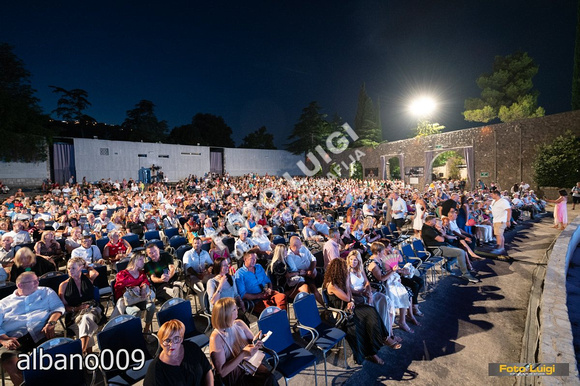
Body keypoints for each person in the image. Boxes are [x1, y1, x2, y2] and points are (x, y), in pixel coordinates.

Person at [0, 272, 65, 385]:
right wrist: (4, 339)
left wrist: (51, 323)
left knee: (60, 355)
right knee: (11, 362)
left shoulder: (46, 292)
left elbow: (58, 307)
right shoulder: (3, 304)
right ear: (20, 285)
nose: (37, 283)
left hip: (42, 333)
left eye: (37, 280)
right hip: (16, 340)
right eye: (33, 281)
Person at [323, 258, 390, 365]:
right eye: (344, 269)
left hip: (349, 309)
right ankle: (372, 352)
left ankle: (380, 339)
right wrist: (347, 284)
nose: (346, 270)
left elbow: (350, 299)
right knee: (364, 320)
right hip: (342, 314)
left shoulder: (338, 281)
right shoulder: (333, 285)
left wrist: (352, 301)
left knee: (371, 311)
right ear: (339, 270)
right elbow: (347, 297)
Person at [209, 298, 275, 386]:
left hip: (249, 365)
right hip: (236, 375)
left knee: (269, 378)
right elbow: (222, 372)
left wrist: (259, 339)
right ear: (226, 314)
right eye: (234, 309)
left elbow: (252, 341)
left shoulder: (239, 323)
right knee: (267, 380)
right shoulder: (216, 337)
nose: (238, 309)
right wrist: (243, 354)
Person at [346, 250, 400, 348]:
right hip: (358, 295)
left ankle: (389, 332)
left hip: (366, 293)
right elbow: (349, 289)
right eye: (351, 260)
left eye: (355, 260)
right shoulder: (347, 272)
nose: (353, 262)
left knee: (386, 301)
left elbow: (367, 282)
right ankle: (386, 337)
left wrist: (369, 291)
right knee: (377, 307)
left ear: (358, 261)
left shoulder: (360, 269)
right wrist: (363, 293)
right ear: (348, 260)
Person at [364, 242, 418, 334]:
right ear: (378, 252)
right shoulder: (373, 264)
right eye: (382, 250)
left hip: (385, 284)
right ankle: (400, 323)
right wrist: (393, 272)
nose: (384, 252)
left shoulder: (379, 259)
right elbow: (381, 278)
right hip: (378, 287)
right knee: (404, 294)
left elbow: (387, 271)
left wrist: (398, 273)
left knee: (407, 292)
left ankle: (404, 320)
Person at [144, 319, 214, 386]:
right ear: (161, 342)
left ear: (181, 339)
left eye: (176, 338)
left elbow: (207, 370)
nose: (172, 344)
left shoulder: (192, 348)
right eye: (167, 340)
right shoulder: (155, 370)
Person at [58, 257, 102, 354]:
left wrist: (87, 266)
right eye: (68, 268)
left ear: (81, 268)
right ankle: (88, 354)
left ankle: (81, 351)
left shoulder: (88, 278)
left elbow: (95, 273)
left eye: (73, 268)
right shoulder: (63, 285)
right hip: (74, 314)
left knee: (86, 319)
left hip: (92, 309)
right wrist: (77, 308)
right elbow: (64, 307)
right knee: (84, 323)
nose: (70, 271)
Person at [421, 216, 479, 283]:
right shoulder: (428, 230)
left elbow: (443, 235)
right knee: (461, 252)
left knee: (461, 251)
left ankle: (449, 265)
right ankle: (466, 274)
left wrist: (442, 232)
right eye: (434, 221)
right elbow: (442, 239)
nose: (435, 223)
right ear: (429, 222)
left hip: (442, 246)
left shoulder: (431, 227)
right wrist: (442, 234)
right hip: (436, 249)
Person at [112, 253, 156, 334]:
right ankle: (136, 332)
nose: (143, 262)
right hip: (128, 302)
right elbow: (119, 287)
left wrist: (142, 287)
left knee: (151, 306)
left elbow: (146, 282)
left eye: (143, 260)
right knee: (136, 311)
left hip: (140, 299)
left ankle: (146, 330)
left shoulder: (141, 273)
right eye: (140, 260)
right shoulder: (122, 274)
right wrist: (132, 287)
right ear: (134, 261)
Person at [286, 236, 324, 305]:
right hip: (304, 277)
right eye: (300, 243)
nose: (301, 244)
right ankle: (326, 306)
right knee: (314, 289)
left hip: (312, 270)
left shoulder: (303, 248)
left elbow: (313, 259)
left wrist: (311, 270)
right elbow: (296, 271)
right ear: (294, 246)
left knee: (328, 282)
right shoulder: (289, 256)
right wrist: (307, 273)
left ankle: (332, 302)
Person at [490, 190, 512, 255]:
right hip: (495, 220)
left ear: (496, 194)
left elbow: (509, 210)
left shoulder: (503, 202)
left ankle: (499, 247)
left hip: (501, 220)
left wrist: (508, 220)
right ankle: (501, 248)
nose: (491, 195)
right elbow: (495, 210)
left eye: (492, 194)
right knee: (499, 234)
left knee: (499, 234)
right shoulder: (493, 202)